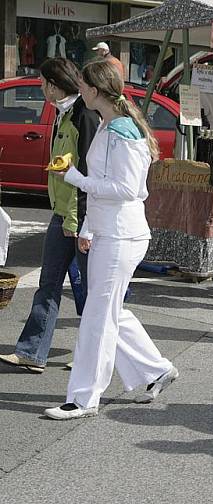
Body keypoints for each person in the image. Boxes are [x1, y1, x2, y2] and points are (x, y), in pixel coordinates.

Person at [43, 60, 178, 420]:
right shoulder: (108, 124)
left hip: (122, 234)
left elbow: (128, 189)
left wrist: (75, 178)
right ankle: (156, 370)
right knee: (107, 312)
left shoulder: (122, 131)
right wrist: (88, 225)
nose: (79, 89)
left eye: (83, 85)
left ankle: (84, 398)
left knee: (98, 317)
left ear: (95, 89)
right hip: (110, 231)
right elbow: (107, 186)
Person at [0, 58, 100, 374]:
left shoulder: (84, 115)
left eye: (43, 83)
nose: (41, 88)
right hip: (61, 212)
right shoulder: (66, 112)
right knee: (49, 283)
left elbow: (89, 172)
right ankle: (32, 352)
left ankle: (96, 354)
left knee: (90, 288)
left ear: (54, 85)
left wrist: (78, 221)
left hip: (79, 216)